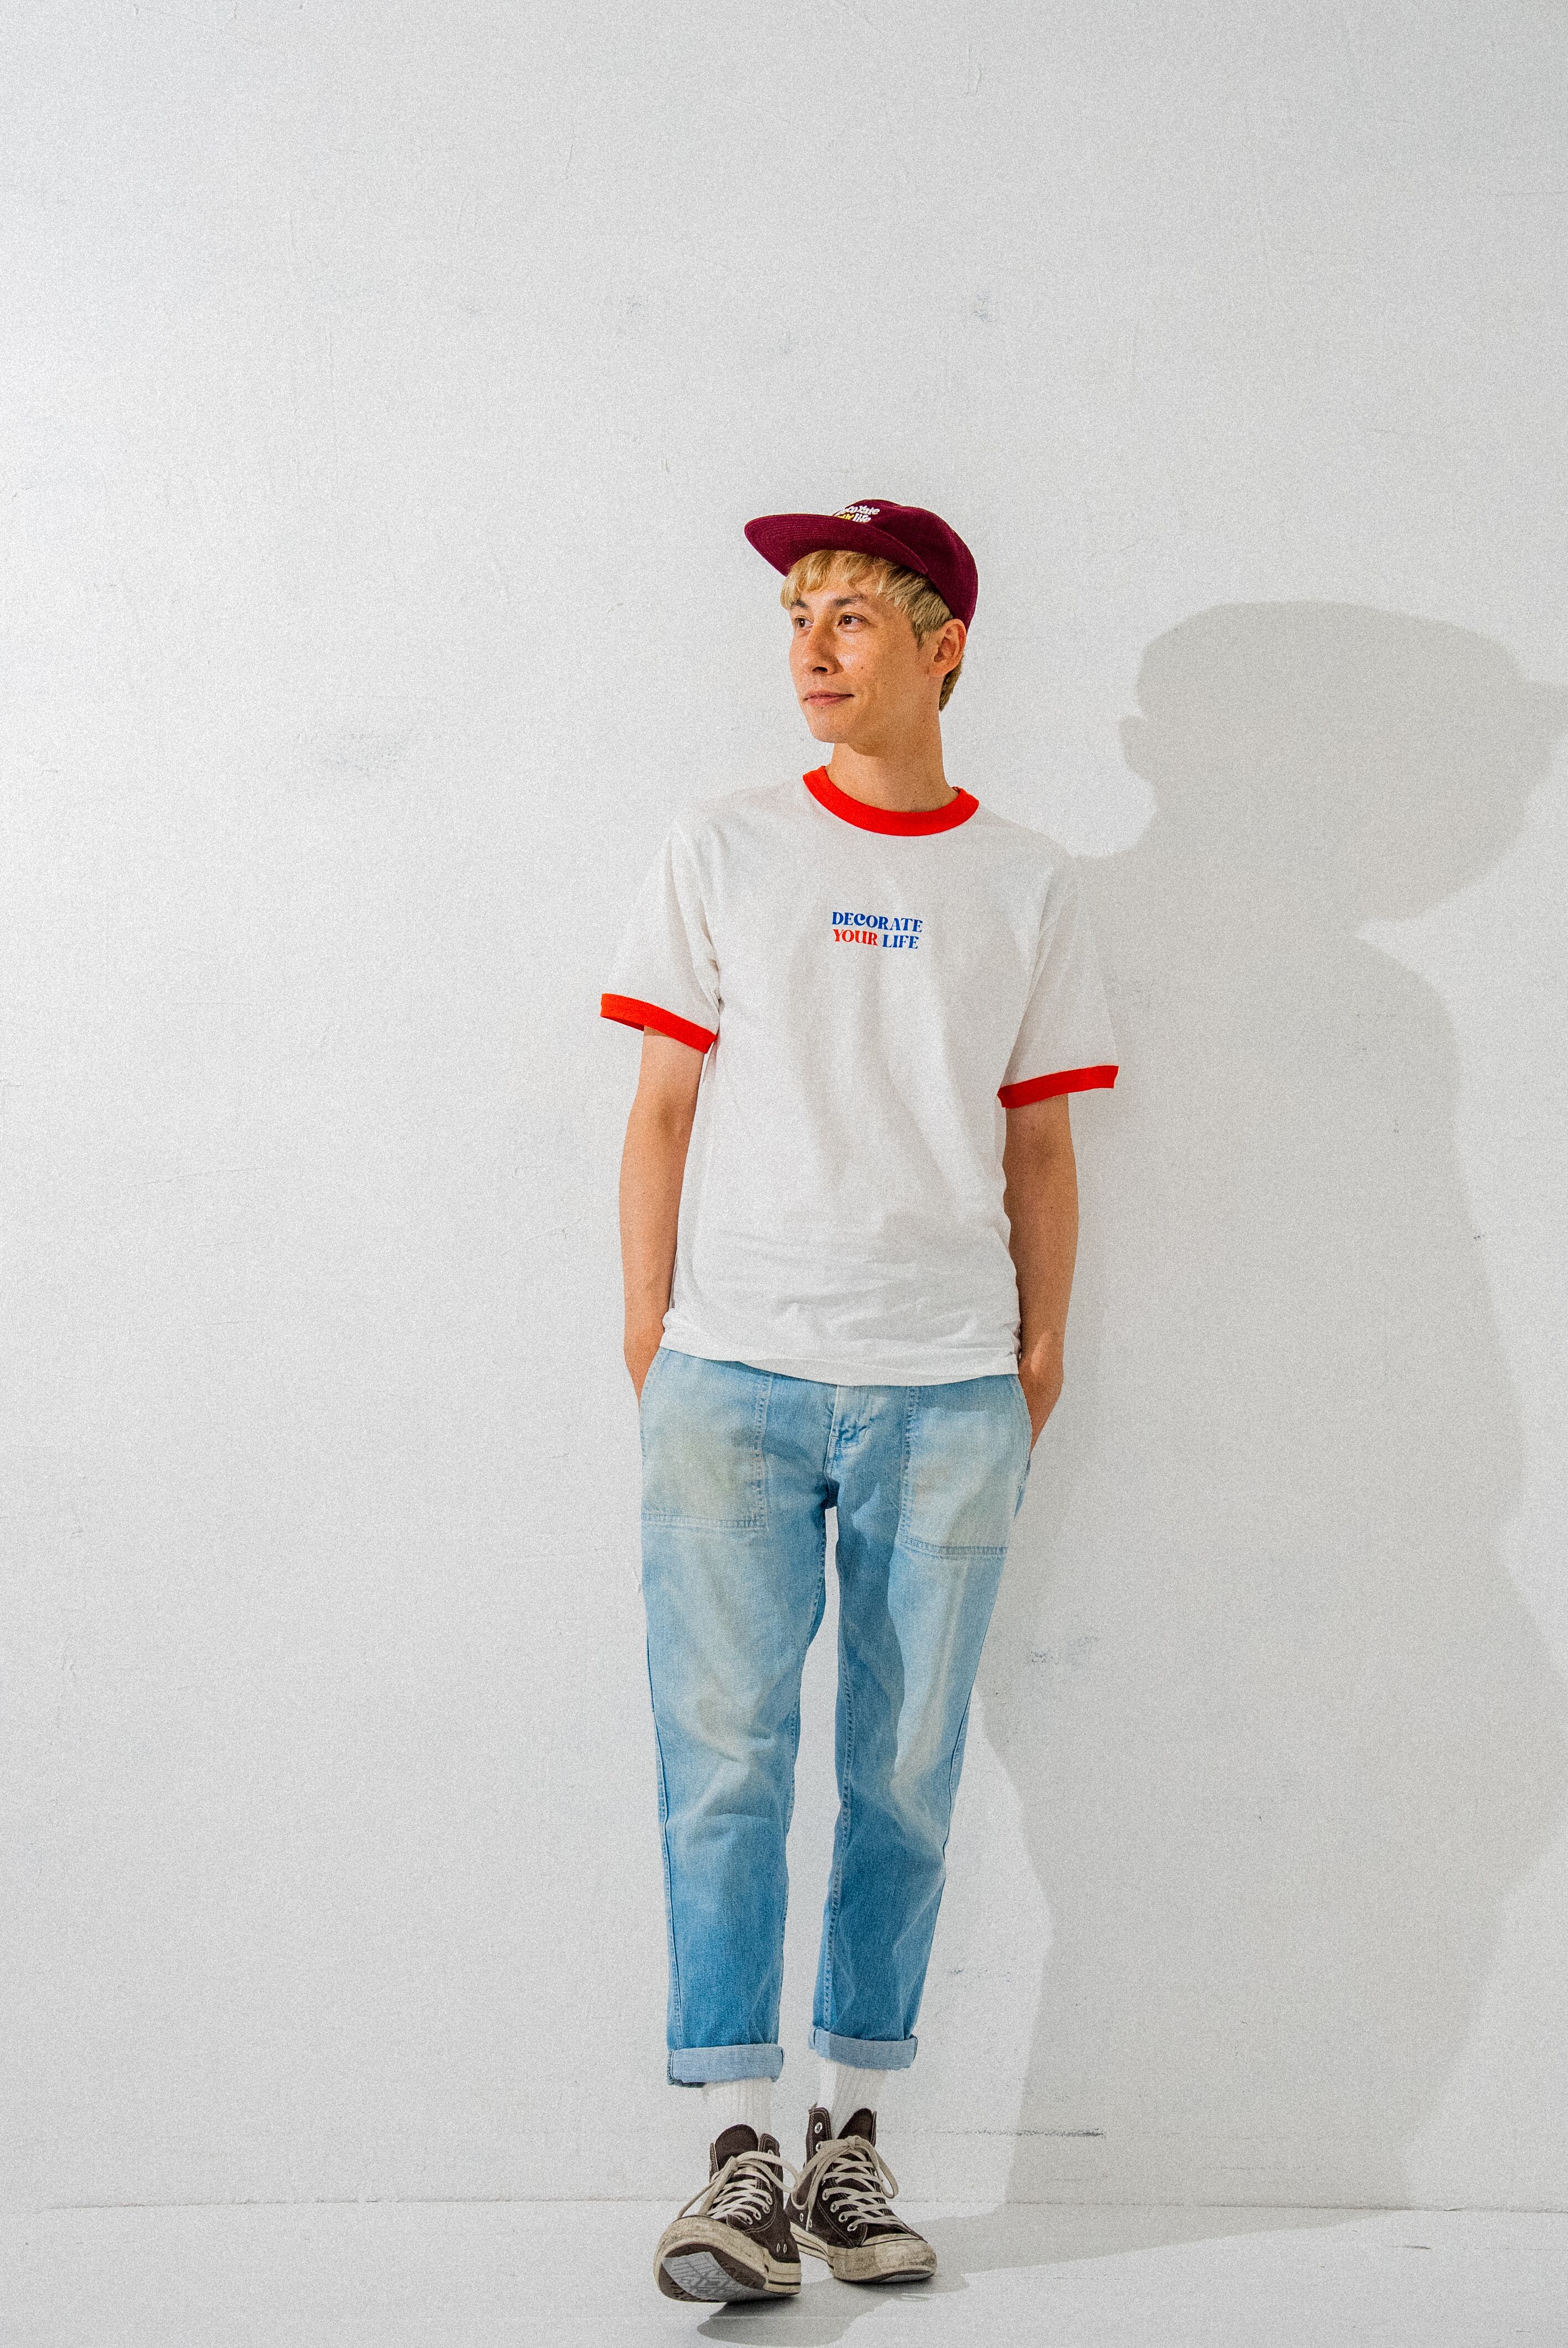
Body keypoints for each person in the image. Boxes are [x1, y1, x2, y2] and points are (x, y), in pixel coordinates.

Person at [600, 498, 1118, 2303]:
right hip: (733, 1376)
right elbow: (662, 1106)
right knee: (724, 1768)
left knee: (901, 1777)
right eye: (797, 615)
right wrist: (655, 1335)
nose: (812, 647)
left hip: (947, 1386)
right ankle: (737, 2155)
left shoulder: (1029, 882)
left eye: (852, 617)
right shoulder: (724, 846)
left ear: (942, 648)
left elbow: (1040, 1143)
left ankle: (850, 2142)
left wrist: (1038, 1355)